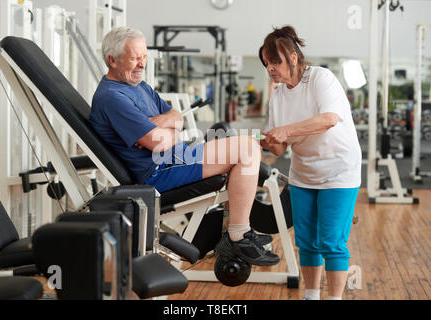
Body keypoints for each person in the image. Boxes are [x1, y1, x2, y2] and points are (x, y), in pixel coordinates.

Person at [89, 27, 280, 267]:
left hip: (175, 157)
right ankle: (238, 236)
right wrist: (164, 131)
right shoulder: (112, 97)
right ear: (112, 59)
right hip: (158, 172)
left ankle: (234, 232)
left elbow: (176, 116)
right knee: (247, 148)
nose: (141, 64)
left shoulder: (140, 87)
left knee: (247, 146)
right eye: (135, 57)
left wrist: (161, 126)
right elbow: (159, 141)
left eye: (144, 57)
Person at [259, 26, 361, 300]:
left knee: (332, 242)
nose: (270, 68)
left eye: (275, 61)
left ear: (293, 58)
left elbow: (328, 119)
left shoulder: (320, 78)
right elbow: (280, 147)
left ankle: (335, 298)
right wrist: (268, 142)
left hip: (339, 171)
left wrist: (286, 131)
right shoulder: (278, 95)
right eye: (267, 63)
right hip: (304, 173)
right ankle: (311, 296)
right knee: (306, 242)